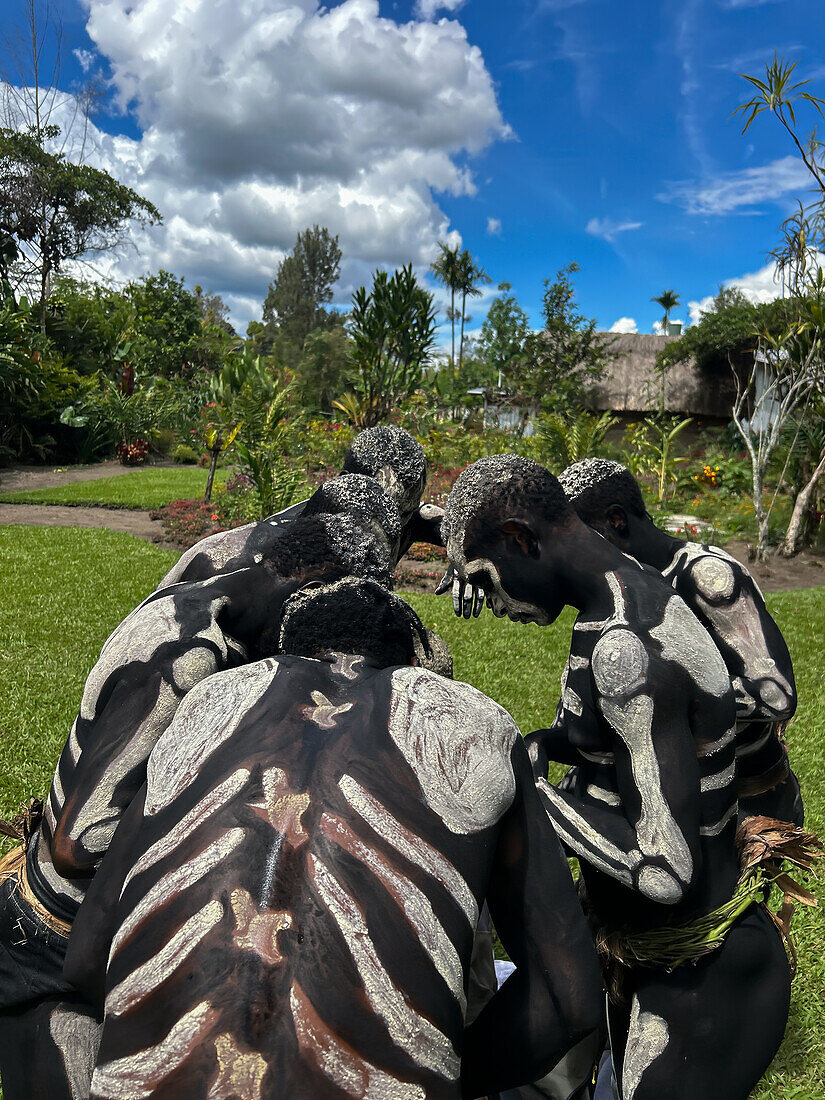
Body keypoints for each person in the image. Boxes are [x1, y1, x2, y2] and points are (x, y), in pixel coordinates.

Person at [65, 578, 602, 1099]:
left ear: (285, 655)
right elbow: (570, 1001)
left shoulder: (209, 703)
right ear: (411, 667)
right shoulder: (468, 723)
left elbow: (87, 962)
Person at [0, 482, 400, 1099]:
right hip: (55, 935)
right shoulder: (186, 653)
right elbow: (78, 844)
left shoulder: (217, 614)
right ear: (300, 593)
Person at [442, 455, 792, 1100]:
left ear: (521, 539)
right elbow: (597, 743)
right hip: (640, 952)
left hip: (694, 972)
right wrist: (546, 747)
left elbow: (664, 868)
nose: (493, 603)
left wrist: (527, 799)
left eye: (487, 580)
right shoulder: (613, 602)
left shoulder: (627, 646)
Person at [558, 457, 801, 826]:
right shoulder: (621, 585)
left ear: (616, 520)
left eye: (582, 537)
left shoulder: (707, 576)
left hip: (747, 802)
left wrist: (671, 702)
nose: (575, 555)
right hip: (668, 792)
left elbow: (776, 695)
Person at [157, 424, 444, 588]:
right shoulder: (272, 554)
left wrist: (466, 560)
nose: (393, 526)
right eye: (380, 511)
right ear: (344, 486)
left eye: (404, 514)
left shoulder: (404, 522)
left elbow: (452, 524)